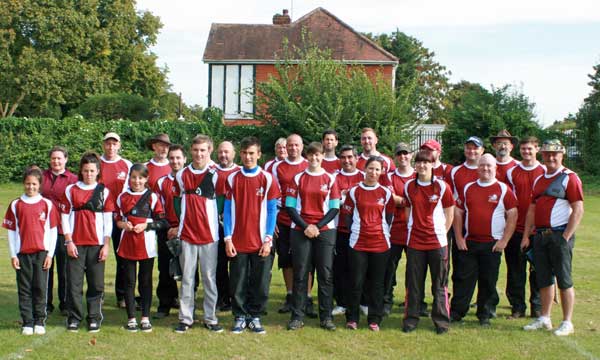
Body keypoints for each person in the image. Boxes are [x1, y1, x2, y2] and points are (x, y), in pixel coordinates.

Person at [522, 139, 584, 336]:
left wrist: (566, 235)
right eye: (547, 153)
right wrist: (526, 235)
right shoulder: (539, 179)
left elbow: (578, 209)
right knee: (544, 279)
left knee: (564, 279)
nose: (550, 157)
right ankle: (545, 317)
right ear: (542, 155)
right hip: (540, 236)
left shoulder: (569, 178)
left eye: (554, 154)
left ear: (561, 155)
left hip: (559, 235)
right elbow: (532, 210)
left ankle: (567, 322)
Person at [450, 154, 518, 327]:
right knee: (463, 279)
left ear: (495, 168)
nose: (485, 169)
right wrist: (458, 237)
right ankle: (457, 312)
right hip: (469, 242)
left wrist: (504, 241)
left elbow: (513, 215)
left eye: (489, 166)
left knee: (488, 281)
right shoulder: (467, 188)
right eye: (482, 166)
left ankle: (485, 314)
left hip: (492, 245)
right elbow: (457, 213)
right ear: (477, 168)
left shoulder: (503, 190)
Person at [223, 136, 280, 334]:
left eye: (252, 153)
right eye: (245, 153)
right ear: (240, 154)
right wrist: (227, 238)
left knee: (261, 282)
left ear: (259, 155)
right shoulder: (232, 178)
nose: (248, 157)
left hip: (260, 242)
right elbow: (228, 211)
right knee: (237, 282)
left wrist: (268, 239)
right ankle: (239, 316)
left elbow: (272, 211)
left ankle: (255, 316)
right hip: (238, 241)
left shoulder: (267, 178)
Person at [286, 142, 340, 331]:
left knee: (325, 275)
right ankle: (297, 316)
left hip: (325, 231)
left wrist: (317, 226)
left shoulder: (331, 179)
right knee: (300, 274)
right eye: (311, 155)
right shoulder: (298, 178)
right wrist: (306, 226)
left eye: (318, 155)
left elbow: (334, 208)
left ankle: (326, 317)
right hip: (300, 230)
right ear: (307, 156)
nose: (314, 158)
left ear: (323, 156)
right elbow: (290, 207)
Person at [174, 135, 223, 333]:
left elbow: (222, 200)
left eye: (203, 150)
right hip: (187, 234)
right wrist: (180, 224)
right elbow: (177, 201)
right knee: (187, 278)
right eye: (195, 150)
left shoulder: (217, 174)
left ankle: (210, 318)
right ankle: (186, 318)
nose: (199, 154)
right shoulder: (181, 175)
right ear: (190, 151)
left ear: (209, 151)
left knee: (210, 278)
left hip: (210, 235)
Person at [61, 152, 115, 333]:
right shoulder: (71, 190)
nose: (89, 174)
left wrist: (106, 245)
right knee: (74, 283)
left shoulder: (104, 192)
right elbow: (64, 217)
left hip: (97, 245)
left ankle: (94, 317)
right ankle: (74, 317)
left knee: (96, 283)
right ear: (81, 171)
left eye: (92, 170)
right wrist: (68, 241)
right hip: (75, 244)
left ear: (98, 171)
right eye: (86, 171)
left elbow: (108, 221)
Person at [403, 150, 454, 334]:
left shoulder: (442, 187)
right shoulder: (409, 186)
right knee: (414, 283)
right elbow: (408, 210)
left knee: (439, 284)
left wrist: (441, 233)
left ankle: (441, 322)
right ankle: (411, 319)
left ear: (433, 164)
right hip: (415, 242)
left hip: (437, 243)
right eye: (419, 162)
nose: (422, 166)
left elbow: (450, 212)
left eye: (426, 162)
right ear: (415, 165)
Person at [4, 166, 59, 336]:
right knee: (25, 288)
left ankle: (39, 321)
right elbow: (11, 233)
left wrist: (50, 254)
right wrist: (13, 255)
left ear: (40, 184)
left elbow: (53, 231)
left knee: (40, 288)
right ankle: (27, 322)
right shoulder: (15, 204)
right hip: (22, 255)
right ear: (23, 184)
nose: (31, 187)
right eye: (28, 184)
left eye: (34, 184)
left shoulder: (47, 204)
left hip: (42, 254)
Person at [342, 156, 394, 331]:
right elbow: (347, 215)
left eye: (377, 169)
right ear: (365, 169)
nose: (373, 172)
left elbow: (388, 218)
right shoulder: (353, 191)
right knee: (356, 282)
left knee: (377, 284)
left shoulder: (386, 193)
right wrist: (357, 230)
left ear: (382, 172)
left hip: (380, 244)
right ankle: (352, 318)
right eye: (371, 168)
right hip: (358, 243)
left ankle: (374, 319)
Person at [116, 163, 168, 332]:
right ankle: (131, 318)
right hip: (127, 244)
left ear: (146, 179)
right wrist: (123, 225)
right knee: (129, 282)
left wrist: (146, 226)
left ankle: (145, 317)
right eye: (133, 177)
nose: (136, 181)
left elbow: (162, 222)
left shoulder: (152, 197)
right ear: (129, 178)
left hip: (146, 246)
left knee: (145, 282)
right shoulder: (122, 197)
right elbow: (117, 219)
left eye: (140, 178)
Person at [505, 136, 544, 319]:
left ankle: (537, 307)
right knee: (515, 271)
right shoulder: (512, 172)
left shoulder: (544, 171)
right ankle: (517, 307)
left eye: (530, 149)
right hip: (516, 229)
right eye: (523, 149)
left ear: (537, 149)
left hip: (538, 230)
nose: (526, 152)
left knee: (537, 271)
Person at [271, 134, 310, 315]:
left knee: (305, 261)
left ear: (302, 146)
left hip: (305, 221)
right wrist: (273, 221)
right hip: (285, 219)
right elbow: (273, 195)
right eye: (290, 145)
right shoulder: (277, 167)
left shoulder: (309, 165)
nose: (293, 148)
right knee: (286, 260)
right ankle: (290, 295)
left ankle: (307, 298)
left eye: (296, 145)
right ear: (285, 147)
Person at [41, 146, 77, 315]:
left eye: (59, 158)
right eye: (53, 158)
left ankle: (65, 303)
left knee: (64, 269)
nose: (56, 161)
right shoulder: (42, 177)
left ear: (66, 159)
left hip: (64, 230)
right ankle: (45, 303)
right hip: (44, 229)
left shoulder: (73, 179)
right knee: (45, 267)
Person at [382, 143, 416, 316]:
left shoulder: (419, 175)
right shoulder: (389, 176)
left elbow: (421, 199)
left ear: (411, 155)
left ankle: (413, 301)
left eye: (406, 153)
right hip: (394, 230)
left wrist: (404, 200)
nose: (403, 157)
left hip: (414, 231)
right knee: (390, 269)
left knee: (414, 269)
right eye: (399, 154)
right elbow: (391, 198)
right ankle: (386, 300)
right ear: (395, 157)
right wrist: (410, 201)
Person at [99, 132, 132, 309]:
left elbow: (131, 191)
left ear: (119, 145)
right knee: (98, 256)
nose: (111, 147)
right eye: (108, 144)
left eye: (114, 144)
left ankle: (122, 295)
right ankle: (99, 294)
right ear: (103, 145)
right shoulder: (96, 163)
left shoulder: (126, 165)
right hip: (99, 218)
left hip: (120, 218)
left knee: (123, 257)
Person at [154, 144, 186, 318]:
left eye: (178, 158)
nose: (175, 161)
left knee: (188, 269)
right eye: (172, 158)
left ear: (184, 159)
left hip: (187, 230)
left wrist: (180, 228)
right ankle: (165, 303)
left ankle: (188, 304)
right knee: (165, 268)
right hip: (167, 230)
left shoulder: (190, 179)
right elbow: (158, 209)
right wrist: (169, 227)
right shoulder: (161, 182)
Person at [331, 145, 364, 317]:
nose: (347, 160)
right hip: (340, 229)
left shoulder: (364, 176)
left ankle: (363, 302)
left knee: (361, 268)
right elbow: (333, 200)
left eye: (350, 157)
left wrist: (345, 197)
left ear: (357, 158)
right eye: (343, 157)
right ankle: (342, 303)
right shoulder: (333, 177)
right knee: (340, 267)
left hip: (361, 231)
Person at [214, 141, 240, 312]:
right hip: (215, 226)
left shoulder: (240, 172)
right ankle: (222, 298)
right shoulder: (211, 172)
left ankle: (238, 298)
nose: (224, 155)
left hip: (238, 226)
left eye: (227, 152)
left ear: (234, 153)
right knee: (219, 264)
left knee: (238, 264)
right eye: (221, 152)